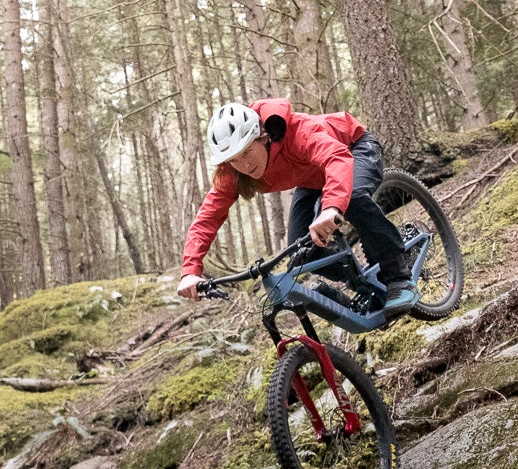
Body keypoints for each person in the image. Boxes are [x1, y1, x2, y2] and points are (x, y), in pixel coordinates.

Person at [178, 97, 417, 313]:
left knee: (351, 199)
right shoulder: (232, 173)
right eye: (234, 160)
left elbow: (336, 157)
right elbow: (206, 220)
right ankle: (366, 285)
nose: (244, 164)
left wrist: (331, 207)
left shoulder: (297, 131)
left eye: (248, 151)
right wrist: (190, 271)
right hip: (312, 178)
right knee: (301, 251)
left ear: (263, 137)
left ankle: (398, 277)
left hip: (353, 149)